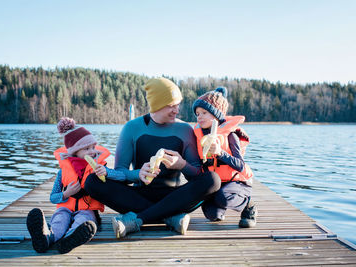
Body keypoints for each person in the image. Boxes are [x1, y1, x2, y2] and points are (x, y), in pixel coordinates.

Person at [84, 77, 220, 238]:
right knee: (92, 182)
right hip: (139, 195)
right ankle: (170, 217)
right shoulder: (132, 128)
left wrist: (182, 165)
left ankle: (139, 219)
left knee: (212, 179)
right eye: (171, 105)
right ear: (157, 105)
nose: (176, 110)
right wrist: (138, 174)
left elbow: (196, 174)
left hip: (174, 196)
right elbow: (119, 172)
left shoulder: (185, 129)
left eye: (178, 104)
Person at [26, 117, 125, 253]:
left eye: (92, 147)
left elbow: (122, 177)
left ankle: (69, 240)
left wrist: (107, 172)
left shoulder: (99, 166)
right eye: (86, 149)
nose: (92, 152)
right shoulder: (63, 171)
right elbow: (53, 198)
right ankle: (47, 237)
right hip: (65, 208)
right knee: (60, 220)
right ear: (74, 152)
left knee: (84, 221)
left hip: (87, 210)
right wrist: (66, 193)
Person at [192, 87, 258, 227]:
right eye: (197, 114)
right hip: (217, 183)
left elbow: (240, 165)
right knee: (212, 215)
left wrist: (220, 152)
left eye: (204, 112)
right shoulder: (199, 136)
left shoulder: (230, 135)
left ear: (217, 115)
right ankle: (219, 206)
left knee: (224, 198)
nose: (200, 117)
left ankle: (248, 204)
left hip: (237, 181)